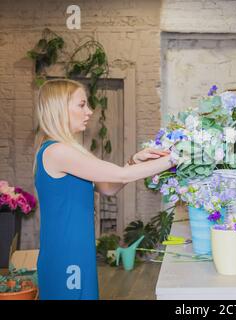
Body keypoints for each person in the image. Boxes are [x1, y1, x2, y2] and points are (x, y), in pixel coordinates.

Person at [33, 79, 174, 300]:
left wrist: (134, 160)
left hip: (78, 251)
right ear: (60, 108)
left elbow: (108, 188)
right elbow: (121, 175)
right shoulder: (57, 151)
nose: (89, 111)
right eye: (81, 105)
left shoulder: (70, 150)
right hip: (66, 255)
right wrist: (178, 157)